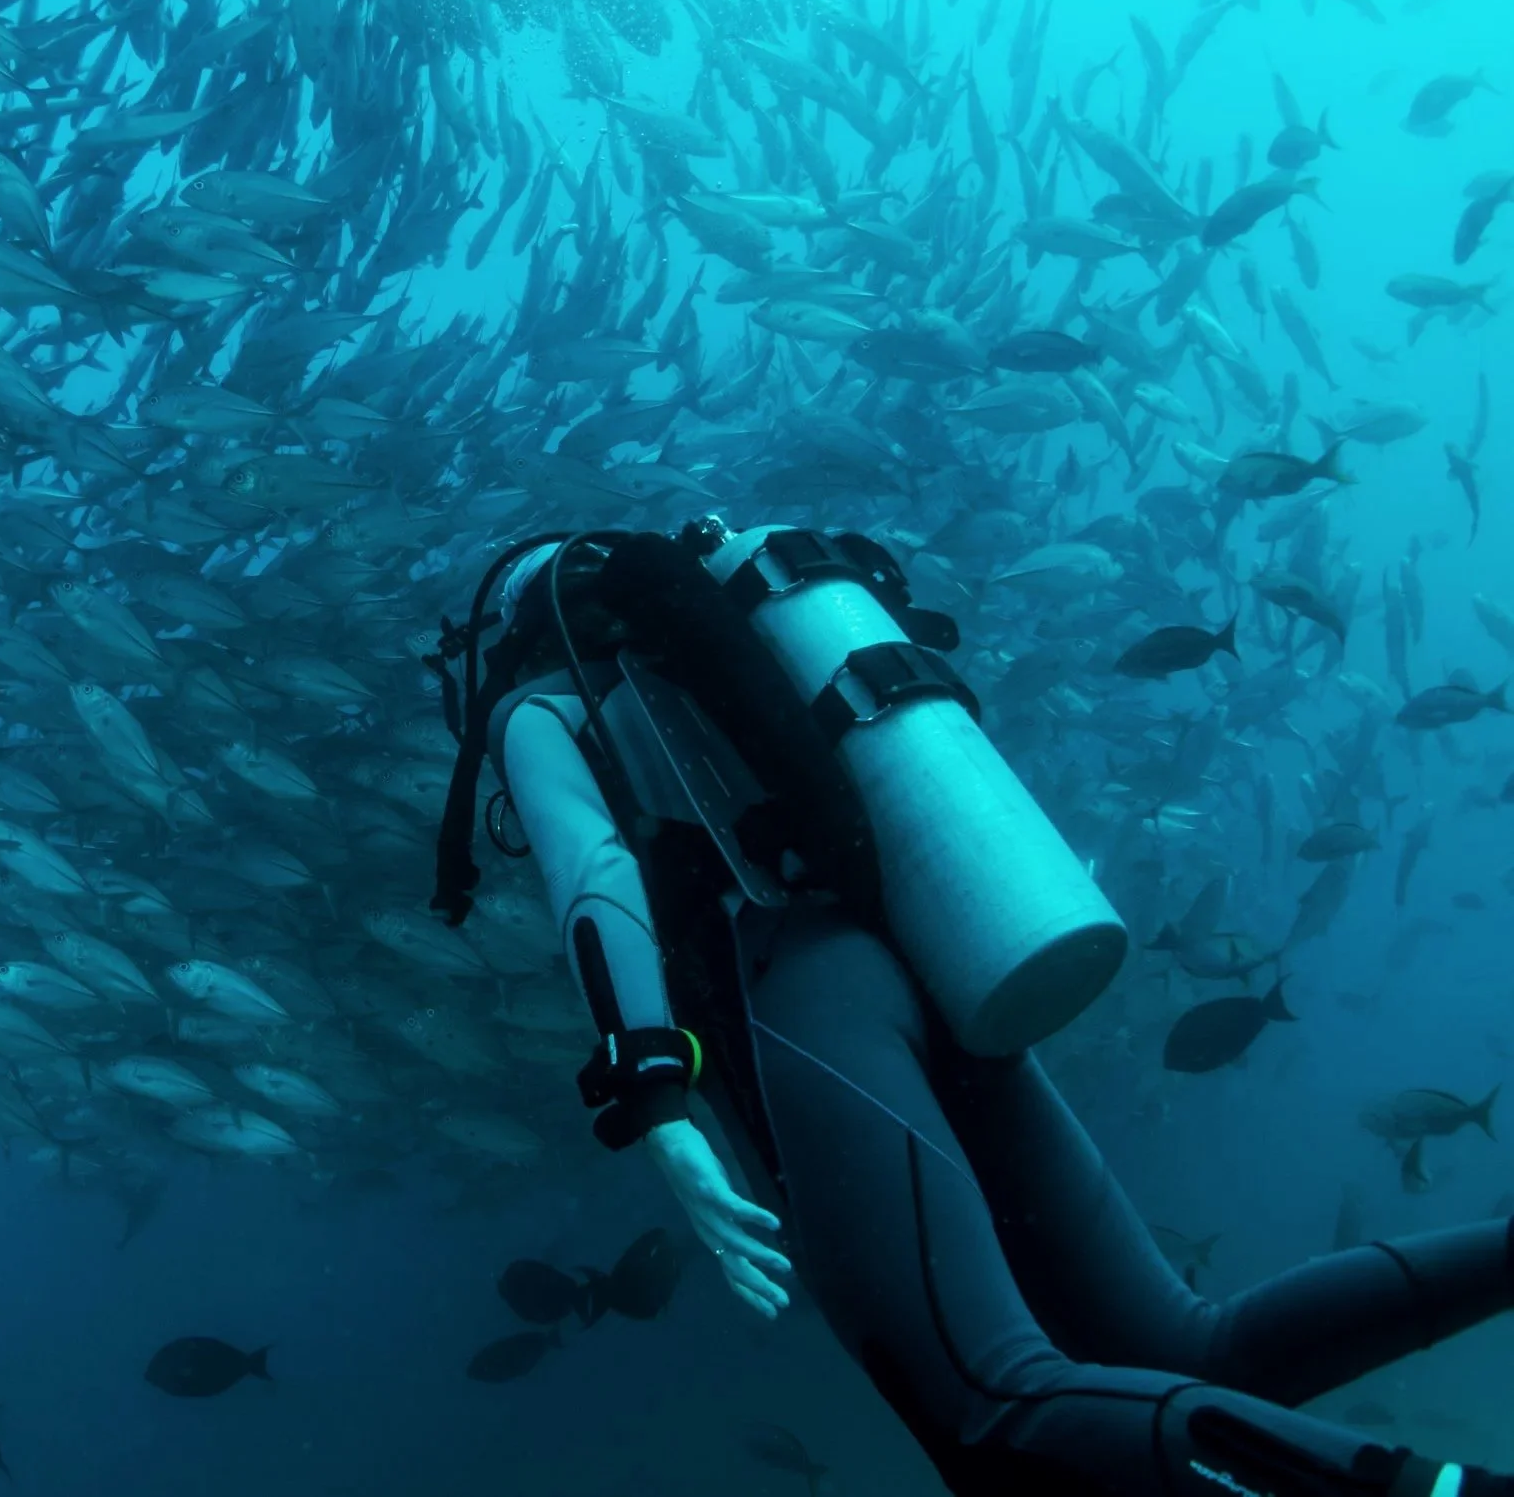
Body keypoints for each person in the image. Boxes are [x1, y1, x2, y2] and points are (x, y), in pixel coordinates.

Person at [426, 522, 1514, 1497]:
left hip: (802, 1001)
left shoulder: (541, 710)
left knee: (990, 1408)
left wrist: (656, 1099)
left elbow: (593, 875)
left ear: (522, 630)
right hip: (931, 969)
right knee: (1185, 1348)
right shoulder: (731, 677)